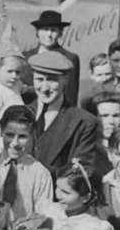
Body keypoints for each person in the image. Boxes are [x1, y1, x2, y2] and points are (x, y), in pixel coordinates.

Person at [29, 49, 101, 177]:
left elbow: (80, 173)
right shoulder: (20, 113)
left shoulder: (84, 123)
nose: (44, 88)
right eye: (39, 79)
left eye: (52, 80)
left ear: (65, 81)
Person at [23, 11, 82, 109]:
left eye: (53, 30)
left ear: (60, 33)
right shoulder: (25, 57)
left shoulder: (69, 58)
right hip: (27, 111)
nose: (49, 34)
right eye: (45, 29)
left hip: (56, 111)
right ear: (37, 32)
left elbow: (71, 95)